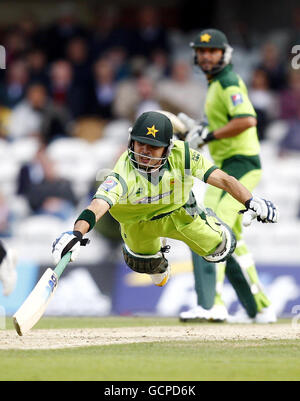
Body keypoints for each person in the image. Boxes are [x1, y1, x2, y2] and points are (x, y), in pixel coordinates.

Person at [52, 111, 278, 292]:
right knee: (144, 266)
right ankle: (156, 254)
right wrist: (76, 233)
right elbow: (96, 206)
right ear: (132, 141)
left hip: (180, 212)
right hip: (138, 222)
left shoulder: (184, 155)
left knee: (221, 248)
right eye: (140, 144)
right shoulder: (122, 173)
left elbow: (224, 180)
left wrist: (251, 201)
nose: (144, 152)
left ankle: (209, 223)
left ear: (168, 148)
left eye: (153, 147)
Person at [178, 29, 277, 324]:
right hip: (229, 165)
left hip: (241, 165)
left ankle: (212, 304)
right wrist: (203, 132)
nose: (207, 56)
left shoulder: (229, 81)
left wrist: (209, 135)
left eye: (213, 51)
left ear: (225, 54)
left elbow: (247, 119)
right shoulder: (215, 85)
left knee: (209, 224)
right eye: (202, 51)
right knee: (234, 241)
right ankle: (260, 307)